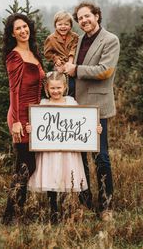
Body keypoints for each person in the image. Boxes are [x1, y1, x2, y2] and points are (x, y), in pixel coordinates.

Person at [64, 2, 120, 221]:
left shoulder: (110, 40)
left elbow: (105, 71)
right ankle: (85, 203)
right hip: (77, 107)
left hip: (97, 109)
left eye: (87, 16)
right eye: (80, 18)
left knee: (101, 157)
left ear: (97, 16)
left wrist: (75, 70)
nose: (84, 20)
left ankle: (106, 206)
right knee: (80, 158)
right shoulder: (78, 42)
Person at [27, 71, 102, 223]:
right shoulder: (43, 105)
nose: (56, 91)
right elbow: (37, 124)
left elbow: (81, 122)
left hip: (68, 151)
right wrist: (31, 129)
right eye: (52, 88)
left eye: (59, 88)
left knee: (67, 176)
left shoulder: (71, 103)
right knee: (51, 177)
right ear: (47, 89)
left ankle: (65, 209)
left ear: (65, 87)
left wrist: (95, 129)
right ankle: (54, 212)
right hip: (49, 152)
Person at [2, 13, 45, 224]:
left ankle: (16, 212)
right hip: (20, 115)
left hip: (34, 115)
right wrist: (18, 121)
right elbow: (14, 90)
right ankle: (10, 216)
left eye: (25, 26)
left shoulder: (33, 52)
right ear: (12, 33)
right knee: (25, 165)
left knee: (28, 165)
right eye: (18, 28)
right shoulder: (14, 56)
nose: (23, 30)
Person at [44, 11, 79, 96]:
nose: (63, 27)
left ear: (70, 26)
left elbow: (74, 49)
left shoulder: (75, 37)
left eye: (66, 24)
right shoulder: (51, 38)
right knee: (60, 87)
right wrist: (56, 59)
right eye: (60, 24)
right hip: (59, 67)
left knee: (73, 87)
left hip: (72, 66)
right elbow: (47, 53)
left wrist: (70, 62)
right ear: (55, 25)